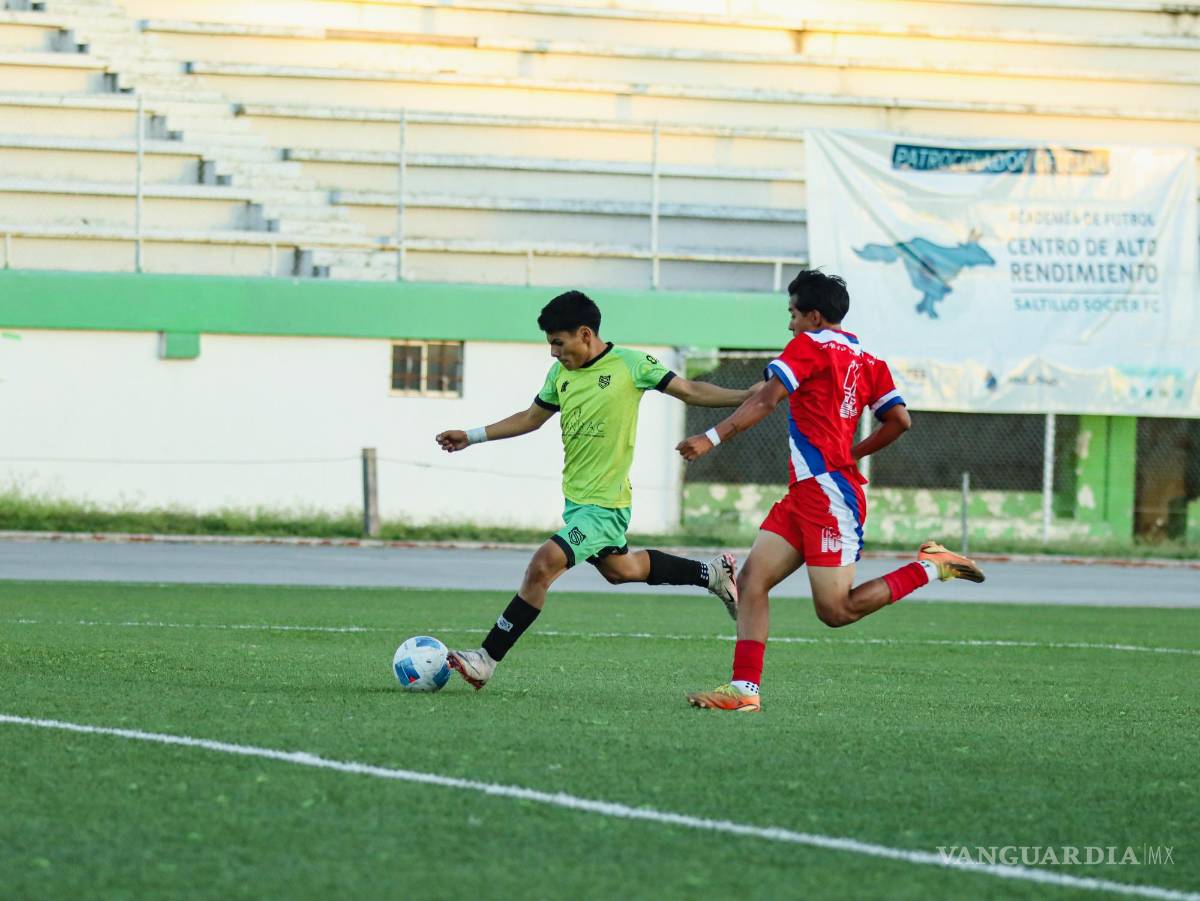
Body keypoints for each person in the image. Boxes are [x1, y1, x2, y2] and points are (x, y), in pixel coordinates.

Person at [678, 270, 985, 713]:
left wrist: (712, 437)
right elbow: (899, 421)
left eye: (793, 314)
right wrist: (851, 453)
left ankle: (931, 566)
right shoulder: (867, 358)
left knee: (836, 611)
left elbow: (767, 399)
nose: (790, 325)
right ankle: (745, 690)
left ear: (815, 316)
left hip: (829, 500)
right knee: (750, 581)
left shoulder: (809, 345)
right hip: (808, 492)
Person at [435, 289, 757, 690]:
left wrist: (746, 395)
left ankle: (486, 658)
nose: (553, 352)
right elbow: (531, 418)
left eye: (558, 342)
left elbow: (690, 390)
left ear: (585, 333)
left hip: (605, 506)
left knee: (541, 566)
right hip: (577, 502)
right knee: (621, 570)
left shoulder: (631, 364)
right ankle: (712, 574)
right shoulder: (560, 374)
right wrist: (472, 435)